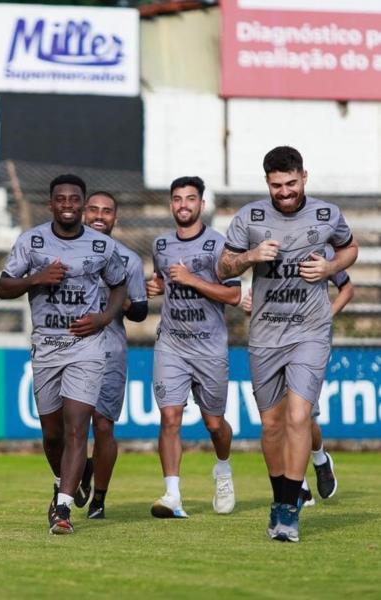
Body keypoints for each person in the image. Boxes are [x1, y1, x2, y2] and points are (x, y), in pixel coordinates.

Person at [218, 146, 358, 542]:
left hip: (311, 331)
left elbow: (350, 249)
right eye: (277, 185)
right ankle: (281, 497)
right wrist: (250, 256)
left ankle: (288, 510)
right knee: (271, 425)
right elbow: (223, 266)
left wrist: (330, 267)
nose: (284, 192)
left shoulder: (327, 214)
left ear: (304, 177)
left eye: (291, 184)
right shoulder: (250, 218)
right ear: (267, 183)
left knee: (299, 417)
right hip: (265, 336)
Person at [0, 174, 127, 534]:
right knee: (52, 435)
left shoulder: (102, 246)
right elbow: (4, 287)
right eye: (61, 199)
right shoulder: (31, 241)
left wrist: (102, 318)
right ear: (51, 204)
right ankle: (70, 475)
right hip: (47, 347)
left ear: (82, 205)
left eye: (74, 200)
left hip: (86, 347)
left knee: (76, 429)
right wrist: (36, 279)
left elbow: (119, 284)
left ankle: (64, 509)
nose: (67, 205)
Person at [147, 176, 240, 519]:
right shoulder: (160, 245)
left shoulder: (220, 245)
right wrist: (156, 285)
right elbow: (160, 278)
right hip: (171, 343)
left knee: (214, 425)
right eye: (177, 199)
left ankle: (223, 468)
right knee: (170, 417)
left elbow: (233, 295)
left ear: (202, 204)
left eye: (190, 199)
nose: (183, 204)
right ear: (171, 204)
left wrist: (193, 280)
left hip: (210, 346)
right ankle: (172, 495)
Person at [240, 251, 354, 506]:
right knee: (277, 419)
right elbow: (257, 300)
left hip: (307, 342)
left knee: (301, 415)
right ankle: (298, 486)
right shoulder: (268, 251)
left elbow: (347, 289)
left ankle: (320, 458)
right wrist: (252, 306)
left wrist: (326, 316)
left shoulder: (320, 252)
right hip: (271, 342)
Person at [74, 191, 148, 519]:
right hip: (68, 348)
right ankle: (73, 474)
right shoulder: (61, 252)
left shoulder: (129, 260)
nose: (99, 216)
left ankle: (99, 499)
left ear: (115, 218)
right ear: (82, 212)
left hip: (109, 349)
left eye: (107, 211)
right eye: (93, 210)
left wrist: (120, 299)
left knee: (103, 426)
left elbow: (141, 312)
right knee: (66, 426)